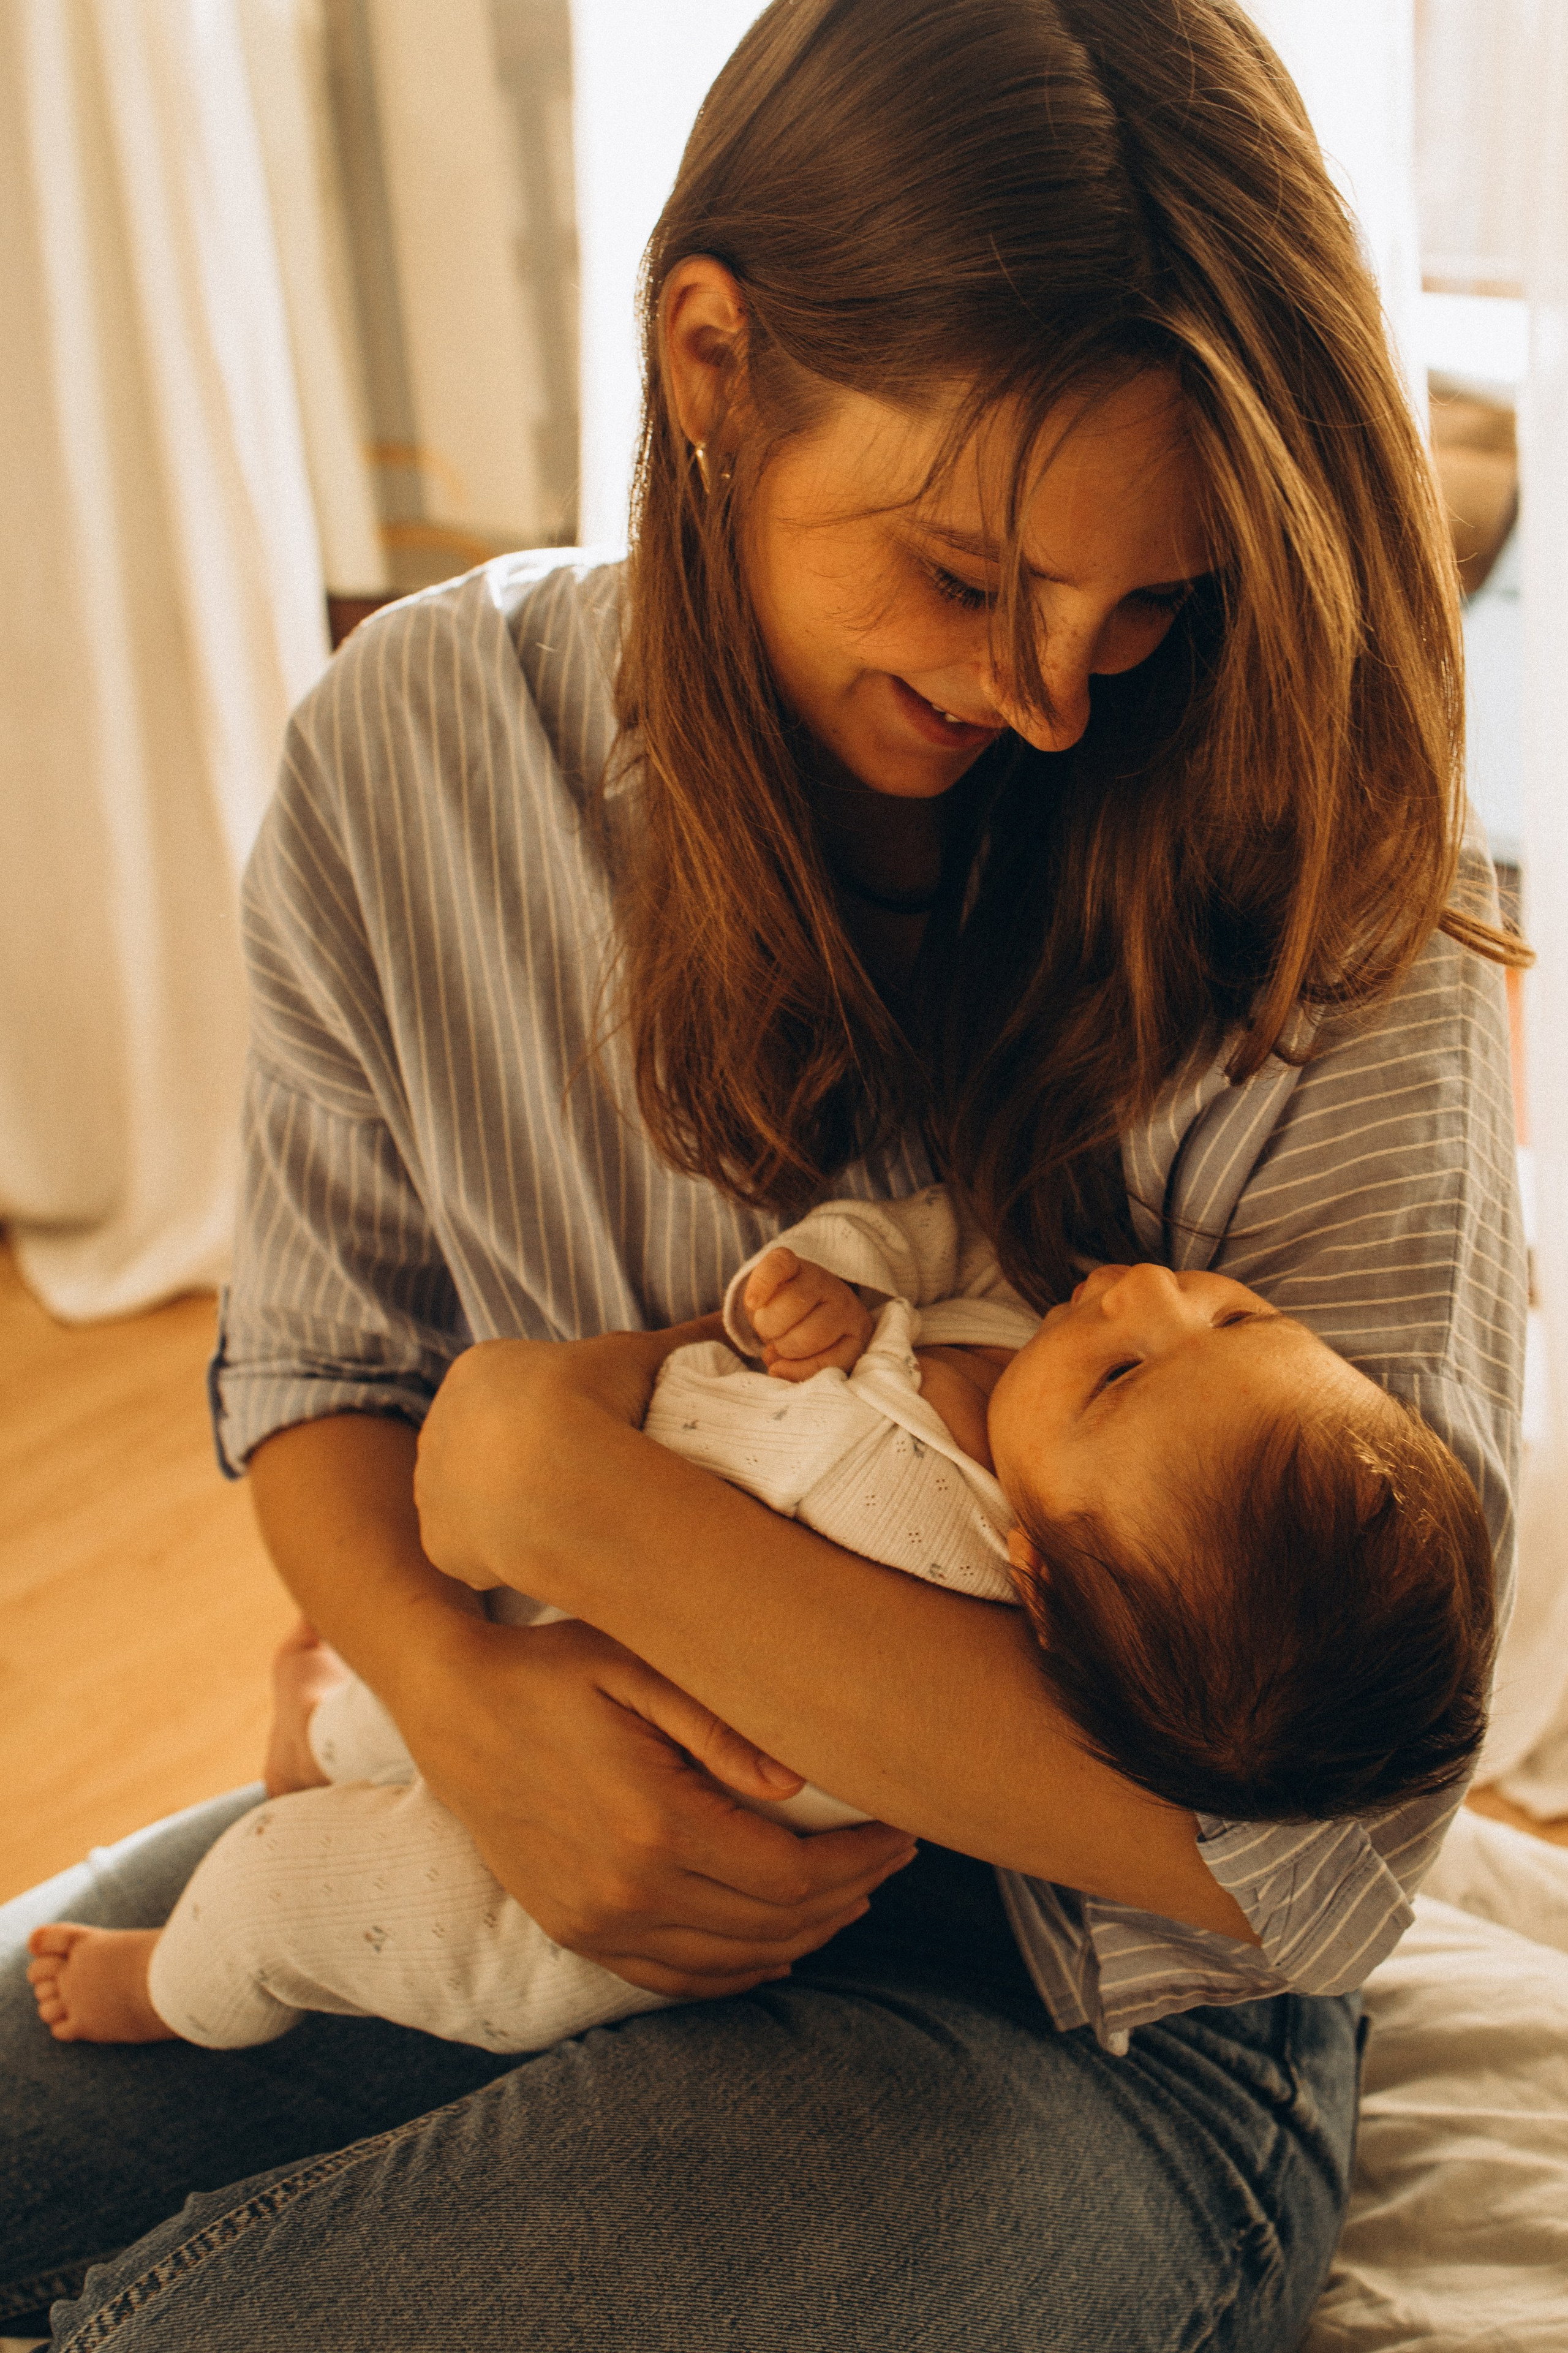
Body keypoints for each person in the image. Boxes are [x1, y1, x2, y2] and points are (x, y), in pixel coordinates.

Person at [0, 2, 1526, 2345]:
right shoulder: (420, 745)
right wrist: (466, 1695)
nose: (1052, 698)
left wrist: (565, 1491)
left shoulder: (1332, 914)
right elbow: (321, 1369)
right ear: (712, 359)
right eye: (964, 577)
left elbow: (1308, 1856)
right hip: (506, 1824)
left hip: (1073, 2019)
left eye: (1152, 608)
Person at [26, 1197, 1494, 2061]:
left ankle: (172, 1983)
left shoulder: (947, 1565)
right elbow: (928, 1236)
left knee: (313, 1893)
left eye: (1122, 1375)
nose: (1150, 1293)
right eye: (1235, 1318)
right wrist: (827, 1274)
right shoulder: (1015, 1348)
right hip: (535, 1619)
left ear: (1037, 1583)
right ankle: (325, 1725)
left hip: (598, 1870)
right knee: (404, 1699)